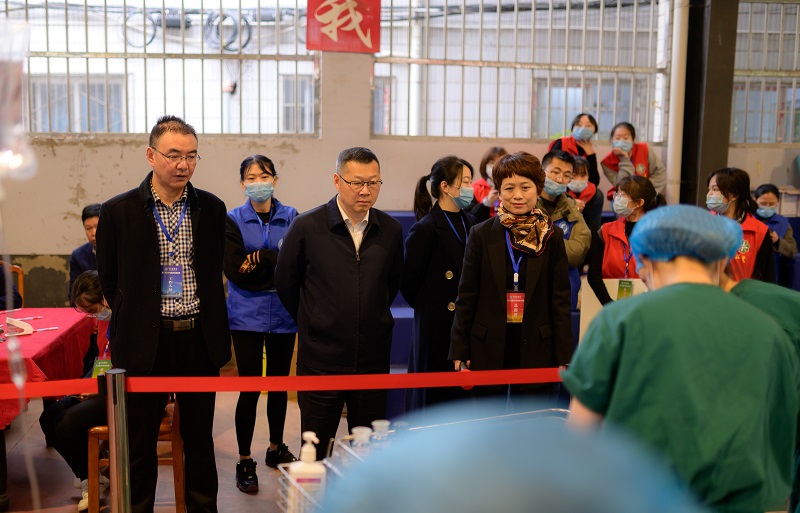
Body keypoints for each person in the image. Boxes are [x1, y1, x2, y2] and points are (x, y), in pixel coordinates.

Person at [562, 205, 799, 513]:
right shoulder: (767, 330)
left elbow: (579, 436)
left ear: (645, 260)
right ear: (723, 259)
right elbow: (779, 441)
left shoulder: (620, 320)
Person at [96, 115, 231, 513]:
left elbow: (210, 273)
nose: (182, 165)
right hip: (143, 343)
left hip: (197, 340)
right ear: (151, 155)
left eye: (191, 156)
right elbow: (108, 280)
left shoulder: (211, 207)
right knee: (139, 446)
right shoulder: (118, 211)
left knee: (200, 442)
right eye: (173, 155)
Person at [275, 147, 403, 461]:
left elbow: (391, 284)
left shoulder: (390, 230)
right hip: (322, 360)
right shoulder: (307, 227)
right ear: (336, 180)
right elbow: (286, 283)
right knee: (316, 451)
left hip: (372, 359)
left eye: (373, 183)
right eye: (356, 182)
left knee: (368, 452)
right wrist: (314, 320)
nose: (365, 190)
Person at [449, 151, 573, 403]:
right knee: (488, 424)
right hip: (488, 342)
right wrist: (460, 347)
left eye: (525, 187)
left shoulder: (552, 236)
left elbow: (560, 299)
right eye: (509, 188)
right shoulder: (481, 234)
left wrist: (564, 356)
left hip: (538, 343)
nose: (518, 195)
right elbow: (467, 294)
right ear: (499, 191)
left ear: (538, 188)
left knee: (531, 424)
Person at [223, 155, 298, 493]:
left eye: (264, 175)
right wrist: (274, 267)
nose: (258, 181)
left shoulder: (292, 216)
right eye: (251, 177)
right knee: (250, 388)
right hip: (245, 315)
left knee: (280, 385)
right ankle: (243, 458)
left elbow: (295, 266)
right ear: (242, 183)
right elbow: (234, 268)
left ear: (275, 180)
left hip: (284, 313)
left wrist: (265, 259)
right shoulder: (233, 219)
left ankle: (275, 447)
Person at [401, 156, 476, 411]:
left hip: (466, 324)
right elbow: (409, 282)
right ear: (445, 186)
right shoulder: (426, 229)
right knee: (435, 402)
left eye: (470, 181)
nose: (470, 187)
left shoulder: (472, 223)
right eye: (465, 182)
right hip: (437, 327)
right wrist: (431, 307)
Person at [39, 270, 110, 512]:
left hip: (121, 392)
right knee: (48, 417)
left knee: (65, 423)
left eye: (92, 310)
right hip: (99, 384)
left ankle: (91, 479)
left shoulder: (125, 317)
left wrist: (95, 388)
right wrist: (87, 385)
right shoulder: (102, 320)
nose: (92, 316)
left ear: (105, 297)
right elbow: (101, 358)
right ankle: (90, 476)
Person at [587, 176, 660, 305]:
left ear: (639, 203)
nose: (617, 199)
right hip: (607, 304)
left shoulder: (656, 234)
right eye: (618, 194)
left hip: (646, 304)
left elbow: (662, 275)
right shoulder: (605, 231)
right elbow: (593, 274)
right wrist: (610, 304)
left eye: (623, 195)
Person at [536, 150, 591, 311]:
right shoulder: (527, 204)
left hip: (565, 291)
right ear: (541, 171)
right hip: (533, 290)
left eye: (567, 175)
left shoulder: (572, 208)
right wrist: (560, 246)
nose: (560, 179)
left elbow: (579, 251)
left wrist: (545, 242)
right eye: (555, 172)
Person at [707, 167, 775, 282]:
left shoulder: (759, 231)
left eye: (715, 189)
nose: (709, 194)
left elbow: (766, 278)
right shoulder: (703, 224)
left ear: (734, 195)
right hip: (709, 295)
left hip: (741, 297)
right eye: (709, 189)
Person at [549, 113, 604, 233]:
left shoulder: (589, 149)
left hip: (582, 190)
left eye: (588, 125)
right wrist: (571, 200)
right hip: (562, 186)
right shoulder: (562, 143)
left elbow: (594, 181)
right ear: (573, 128)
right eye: (579, 124)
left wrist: (591, 155)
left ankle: (592, 234)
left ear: (594, 130)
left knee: (598, 194)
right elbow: (552, 173)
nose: (583, 128)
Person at [601, 122, 666, 197]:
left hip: (646, 193)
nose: (622, 141)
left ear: (633, 139)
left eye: (626, 138)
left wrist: (644, 190)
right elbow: (622, 185)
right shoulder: (607, 162)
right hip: (623, 196)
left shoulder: (644, 149)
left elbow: (660, 173)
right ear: (612, 140)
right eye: (618, 138)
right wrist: (625, 159)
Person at [754, 183, 798, 285]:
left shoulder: (783, 223)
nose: (767, 207)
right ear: (755, 201)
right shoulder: (748, 221)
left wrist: (777, 241)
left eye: (772, 204)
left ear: (778, 202)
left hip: (772, 272)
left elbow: (792, 250)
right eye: (763, 203)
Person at [467, 146, 507, 222]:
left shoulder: (513, 187)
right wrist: (487, 202)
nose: (495, 167)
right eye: (492, 163)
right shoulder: (475, 188)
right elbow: (470, 217)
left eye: (499, 162)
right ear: (485, 165)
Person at [69, 204, 100, 300]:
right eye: (89, 228)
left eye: (97, 226)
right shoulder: (78, 256)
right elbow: (74, 294)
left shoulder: (119, 251)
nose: (93, 233)